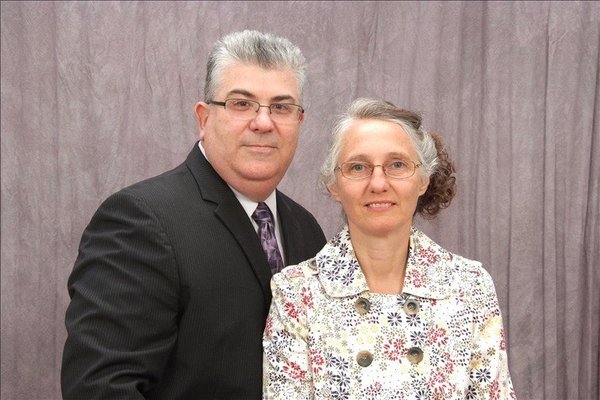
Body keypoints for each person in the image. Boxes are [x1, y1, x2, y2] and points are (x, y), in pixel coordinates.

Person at [61, 30, 326, 399]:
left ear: (300, 121)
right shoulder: (140, 220)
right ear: (204, 118)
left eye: (281, 107)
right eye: (241, 103)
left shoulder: (307, 230)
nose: (264, 123)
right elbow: (100, 388)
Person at [263, 98, 516, 399]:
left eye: (397, 165)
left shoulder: (470, 287)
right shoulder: (296, 293)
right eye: (358, 167)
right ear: (334, 185)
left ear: (423, 179)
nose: (378, 183)